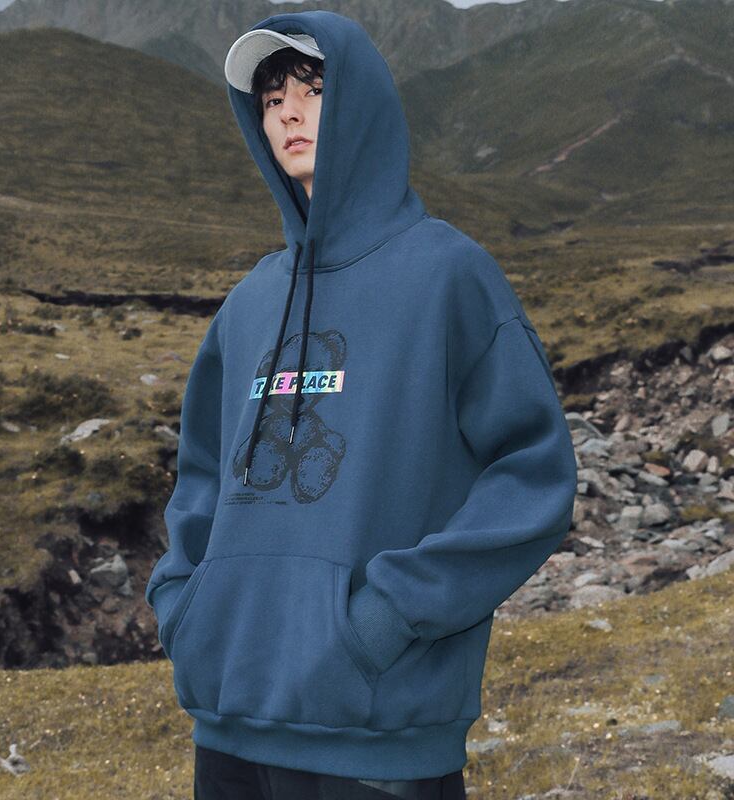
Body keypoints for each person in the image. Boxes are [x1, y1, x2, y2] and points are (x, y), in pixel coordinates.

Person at [144, 9, 578, 800]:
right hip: (230, 722)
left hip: (379, 731)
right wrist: (185, 607)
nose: (289, 114)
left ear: (364, 105)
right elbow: (201, 478)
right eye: (271, 100)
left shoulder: (448, 276)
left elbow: (533, 475)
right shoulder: (247, 306)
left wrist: (388, 617)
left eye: (313, 91)